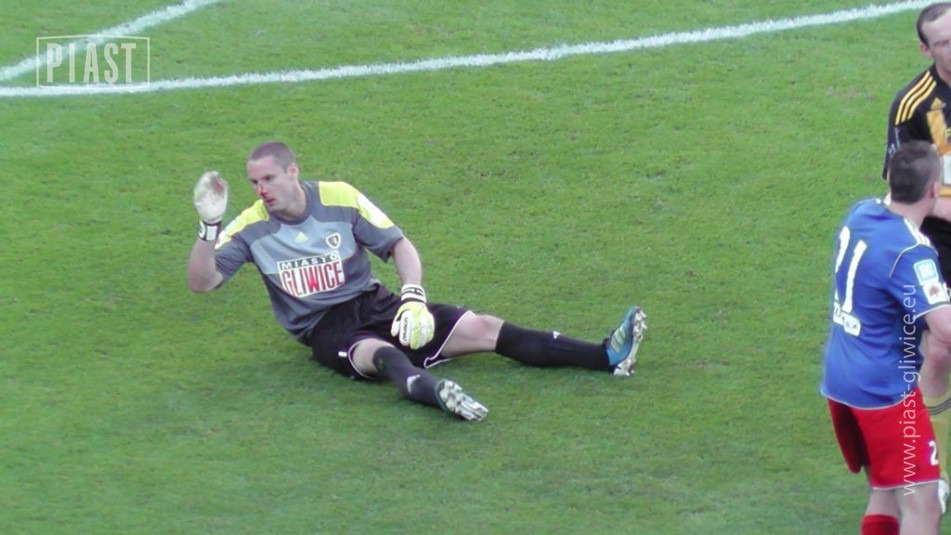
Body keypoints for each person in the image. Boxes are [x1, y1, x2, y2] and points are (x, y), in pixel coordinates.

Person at [187, 141, 647, 422]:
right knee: (383, 355)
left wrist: (411, 296)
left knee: (485, 328)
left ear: (293, 172)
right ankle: (435, 394)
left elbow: (399, 246)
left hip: (375, 302)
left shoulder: (338, 198)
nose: (261, 190)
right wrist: (209, 228)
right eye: (254, 182)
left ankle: (607, 356)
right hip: (324, 327)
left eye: (268, 178)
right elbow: (203, 282)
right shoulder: (249, 227)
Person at [823, 141, 951, 534]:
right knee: (924, 508)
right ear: (934, 190)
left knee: (886, 489)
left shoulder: (861, 214)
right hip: (885, 393)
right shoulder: (911, 252)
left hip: (840, 380)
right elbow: (945, 329)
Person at [883, 2, 951, 513]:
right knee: (940, 351)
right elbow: (900, 189)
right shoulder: (913, 105)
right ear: (926, 49)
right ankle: (936, 466)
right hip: (940, 239)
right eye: (945, 42)